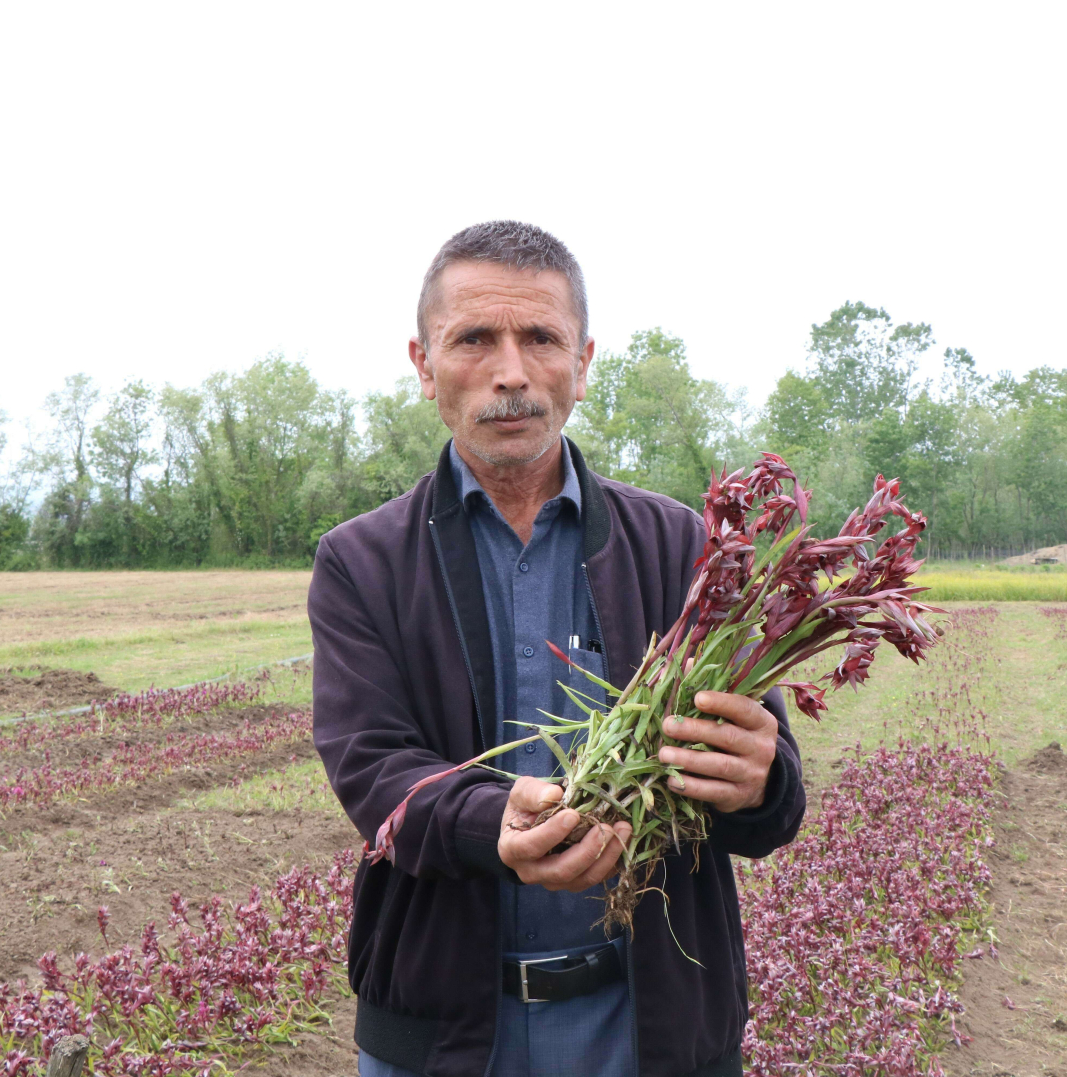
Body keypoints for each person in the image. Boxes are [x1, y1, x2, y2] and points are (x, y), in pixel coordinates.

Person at [310, 220, 806, 1077]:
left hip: (648, 1029)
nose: (511, 372)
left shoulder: (683, 547)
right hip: (446, 1039)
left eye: (540, 337)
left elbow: (773, 803)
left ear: (582, 361)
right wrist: (488, 823)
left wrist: (759, 777)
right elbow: (371, 767)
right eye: (474, 339)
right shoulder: (362, 561)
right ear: (424, 363)